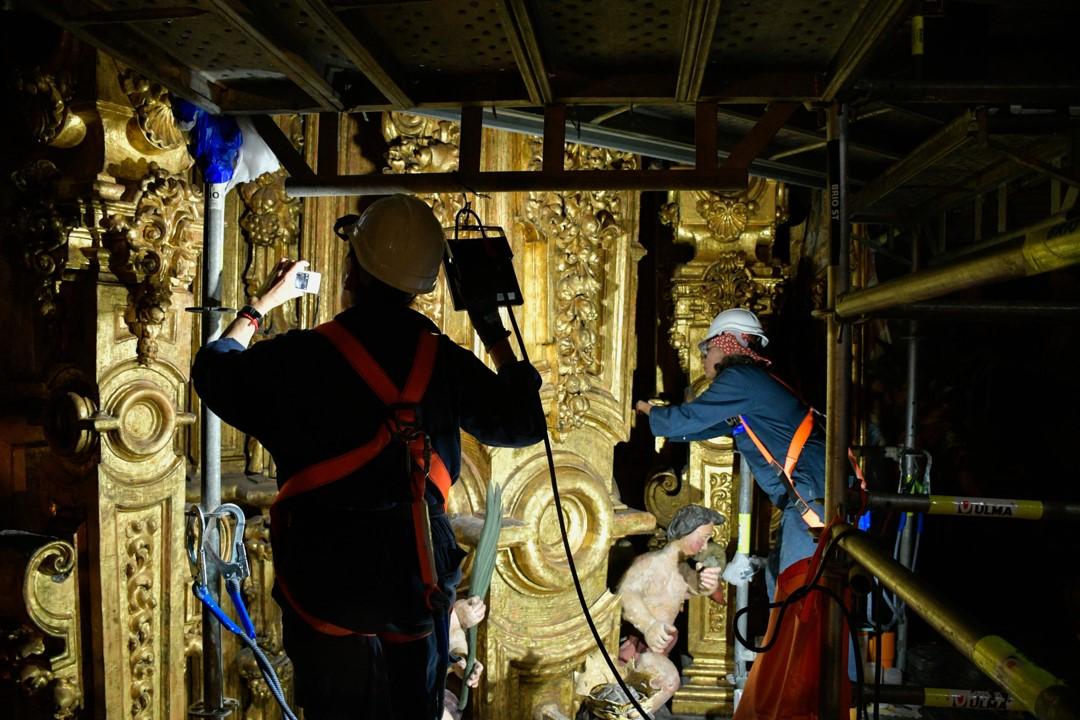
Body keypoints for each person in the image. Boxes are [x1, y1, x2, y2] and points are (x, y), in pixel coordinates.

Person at [191, 194, 546, 720]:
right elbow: (523, 424)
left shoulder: (303, 356)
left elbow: (215, 370)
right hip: (413, 579)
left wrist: (261, 305)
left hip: (327, 580)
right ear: (425, 284)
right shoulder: (442, 359)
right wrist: (491, 329)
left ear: (352, 269)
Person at [635, 308, 826, 594]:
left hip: (811, 495)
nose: (703, 357)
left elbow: (683, 421)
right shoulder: (751, 388)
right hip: (808, 494)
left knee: (799, 593)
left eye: (708, 348)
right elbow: (698, 429)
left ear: (728, 344)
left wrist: (643, 408)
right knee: (783, 581)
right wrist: (659, 423)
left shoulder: (740, 378)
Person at [613, 504, 725, 714]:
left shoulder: (684, 571)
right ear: (685, 530)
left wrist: (708, 583)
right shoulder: (648, 563)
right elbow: (625, 595)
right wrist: (649, 625)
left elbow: (711, 593)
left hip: (655, 653)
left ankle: (633, 714)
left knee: (663, 684)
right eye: (703, 537)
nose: (704, 546)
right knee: (669, 680)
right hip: (633, 648)